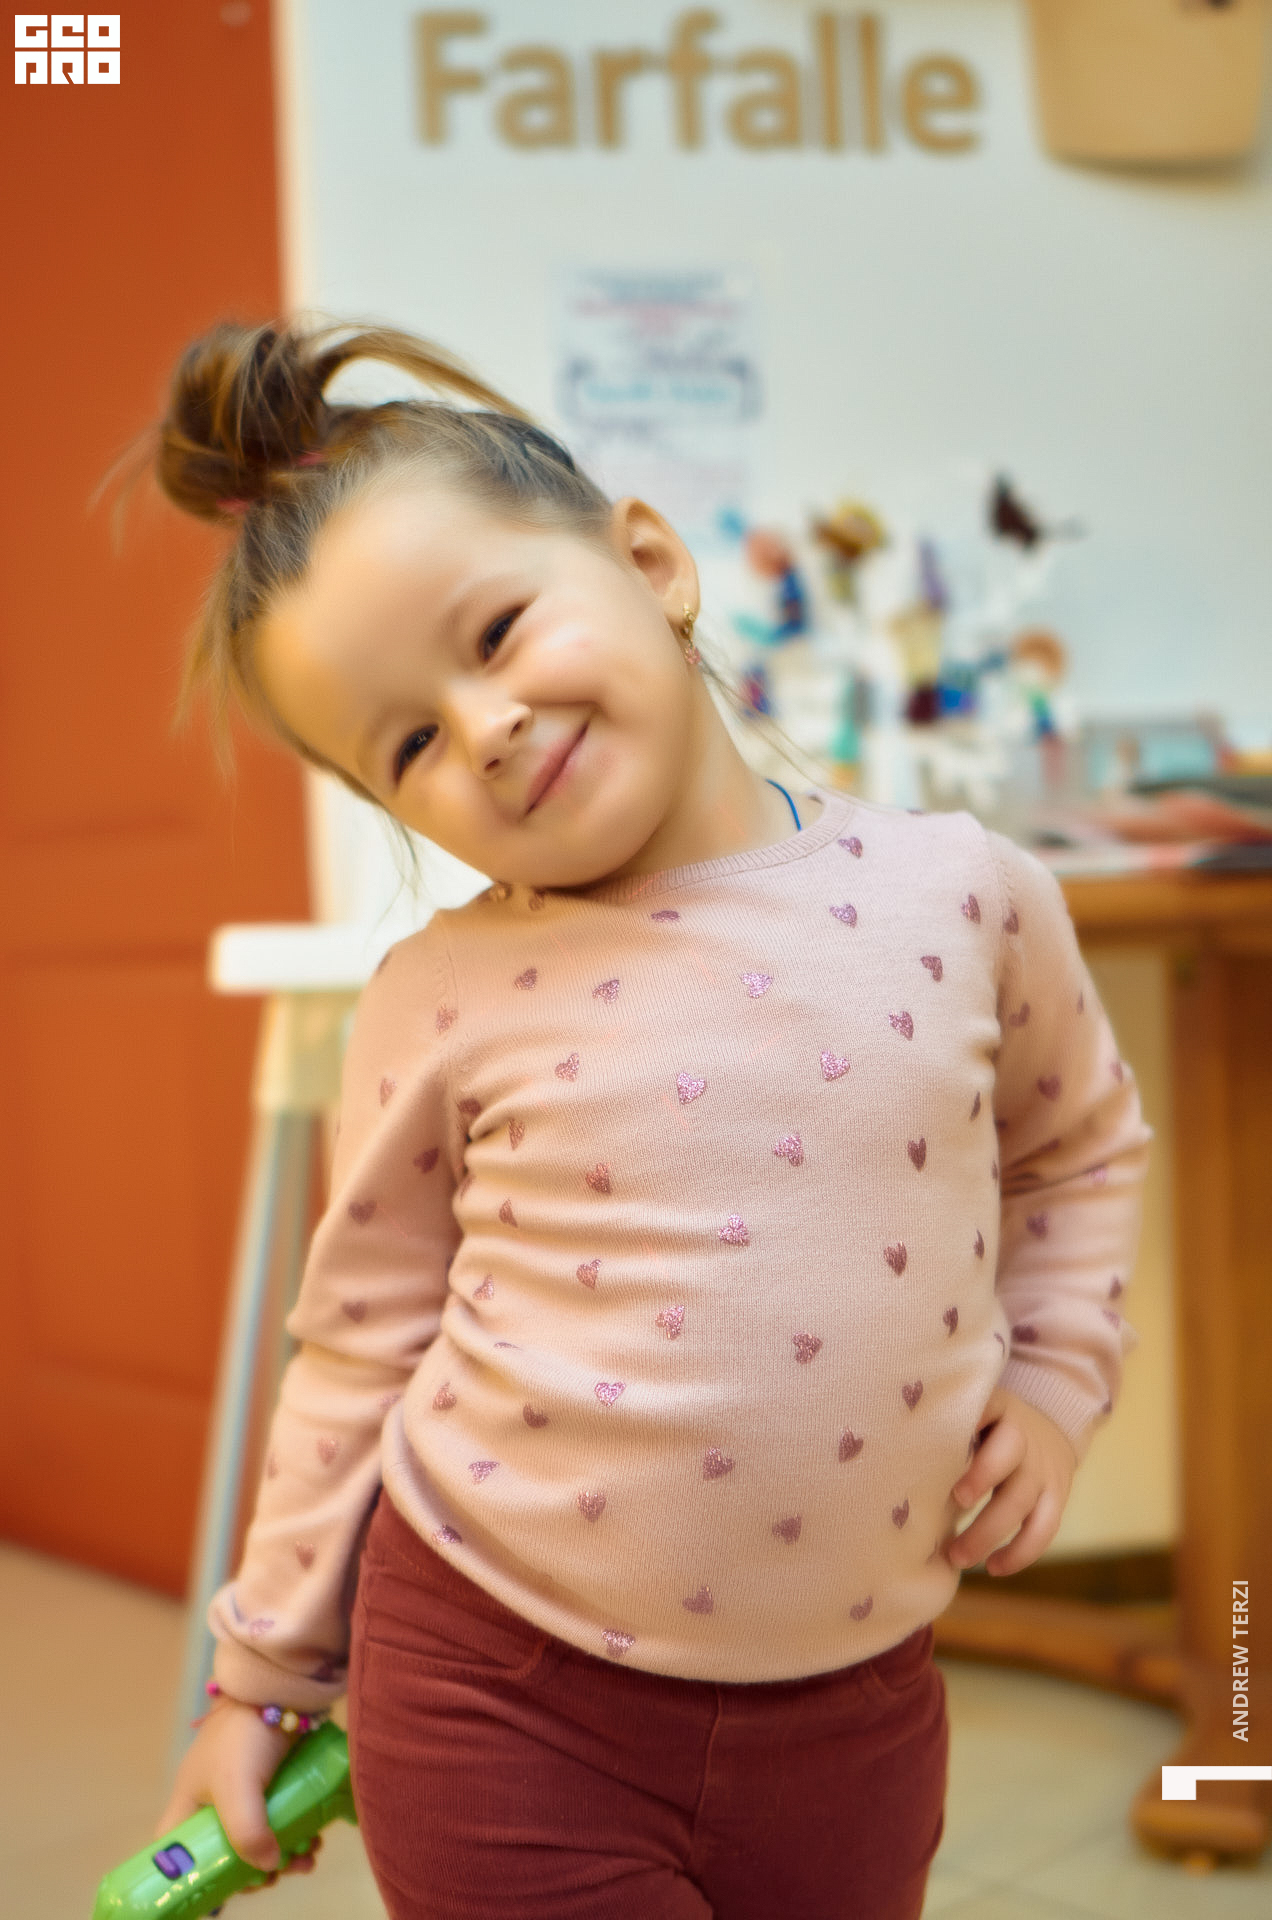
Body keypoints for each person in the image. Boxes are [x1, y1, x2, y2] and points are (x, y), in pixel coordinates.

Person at [142, 317, 1151, 1919]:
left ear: (652, 564)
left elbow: (1078, 1148)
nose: (483, 726)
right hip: (494, 1689)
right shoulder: (437, 994)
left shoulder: (967, 892)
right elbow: (359, 1349)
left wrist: (1056, 1379)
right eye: (410, 742)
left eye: (497, 633)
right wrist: (259, 1685)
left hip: (860, 1705)